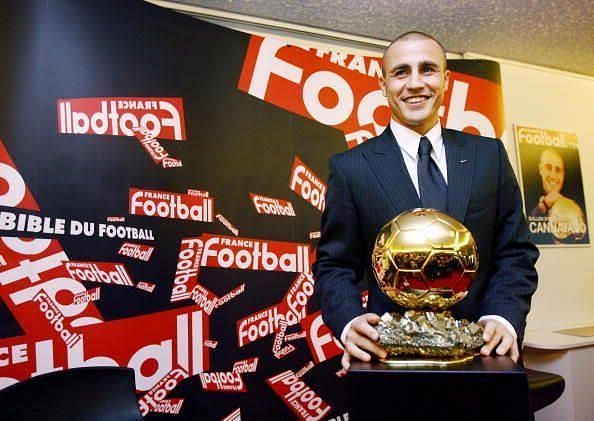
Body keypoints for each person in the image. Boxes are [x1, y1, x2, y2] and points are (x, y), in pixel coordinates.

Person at [313, 31, 539, 370]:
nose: (415, 83)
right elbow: (334, 265)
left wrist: (504, 317)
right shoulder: (350, 169)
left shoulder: (488, 156)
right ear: (383, 83)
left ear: (446, 80)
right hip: (392, 363)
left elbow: (515, 253)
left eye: (428, 69)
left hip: (485, 358)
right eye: (401, 72)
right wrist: (348, 322)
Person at [530, 148, 587, 242]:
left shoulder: (576, 201)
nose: (553, 176)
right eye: (548, 167)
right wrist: (543, 206)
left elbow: (582, 237)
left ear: (563, 174)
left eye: (558, 170)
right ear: (540, 169)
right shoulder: (527, 196)